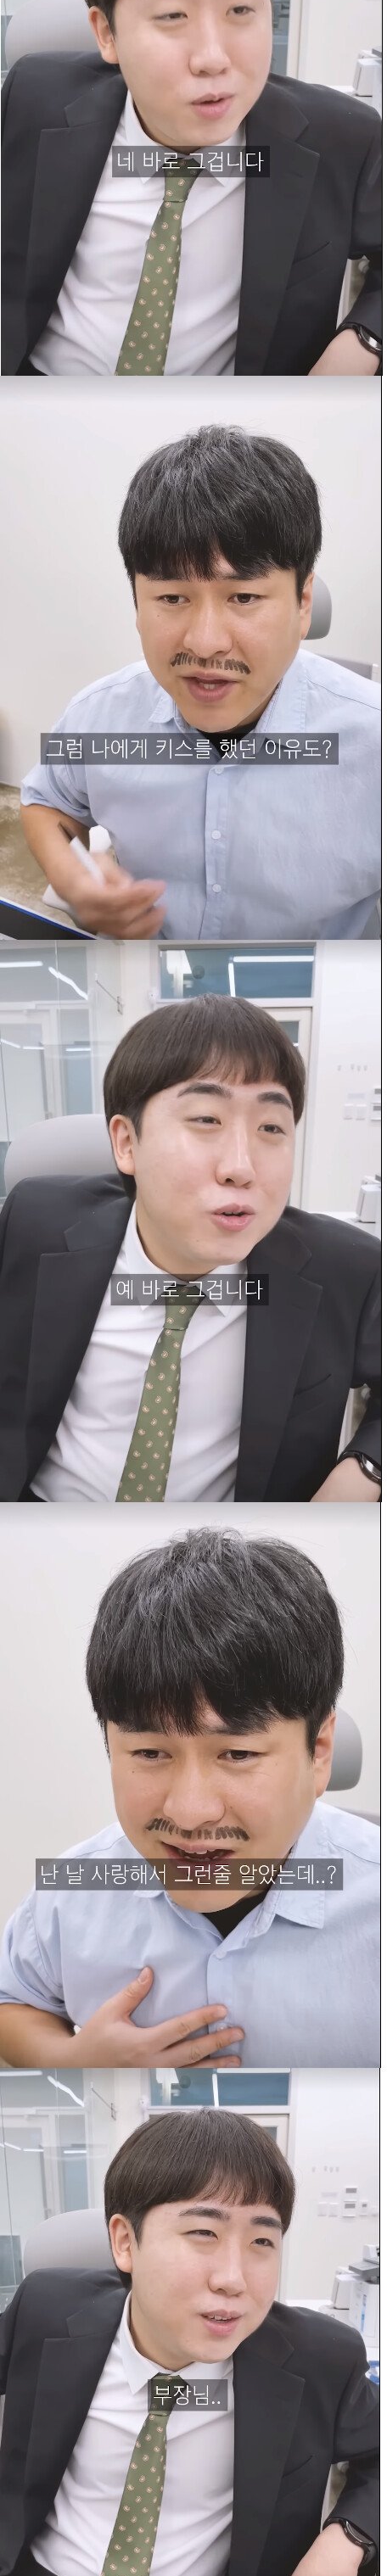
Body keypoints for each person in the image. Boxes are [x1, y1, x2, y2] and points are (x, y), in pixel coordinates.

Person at [0, 1535, 379, 2073]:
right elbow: (14, 2001)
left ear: (318, 1751)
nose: (189, 1812)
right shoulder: (71, 1890)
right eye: (150, 1752)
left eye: (238, 1754)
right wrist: (73, 2060)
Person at [0, 2099, 379, 2576]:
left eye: (262, 2241)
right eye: (203, 2233)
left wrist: (347, 2540)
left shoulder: (320, 2358)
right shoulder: (47, 2309)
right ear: (125, 2243)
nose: (233, 2279)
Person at [2, 0, 381, 390]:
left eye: (240, 8)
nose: (212, 57)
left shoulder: (339, 136)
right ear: (107, 34)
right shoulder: (35, 98)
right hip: (40, 390)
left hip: (233, 417)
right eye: (172, 15)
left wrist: (366, 340)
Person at [1, 1000, 380, 1511]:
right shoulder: (34, 1223)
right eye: (206, 1119)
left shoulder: (346, 1268)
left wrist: (366, 1468)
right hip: (40, 1521)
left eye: (271, 1128)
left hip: (233, 1549)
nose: (241, 1168)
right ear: (126, 1143)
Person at [20, 425, 381, 950]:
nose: (206, 643)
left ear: (304, 602)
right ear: (137, 602)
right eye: (172, 598)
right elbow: (46, 802)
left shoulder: (372, 743)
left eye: (244, 598)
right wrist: (73, 877)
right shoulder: (98, 716)